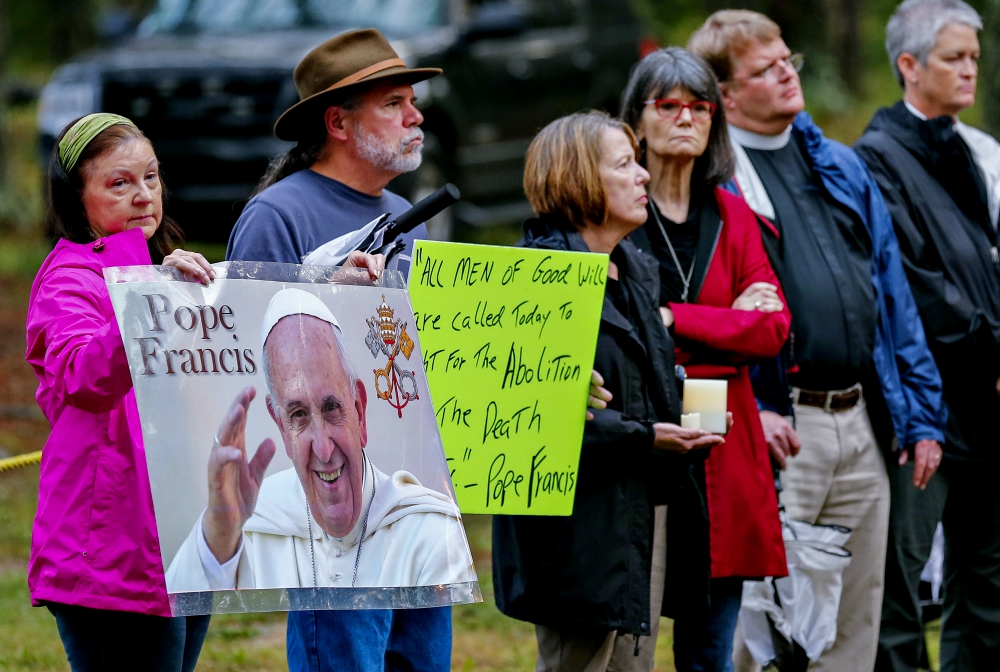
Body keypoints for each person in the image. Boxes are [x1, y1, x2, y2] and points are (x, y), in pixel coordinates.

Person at [688, 11, 946, 671]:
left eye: (787, 60)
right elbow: (697, 321)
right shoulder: (710, 187)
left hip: (858, 422)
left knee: (852, 627)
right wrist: (751, 411)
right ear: (725, 95)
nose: (785, 74)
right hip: (774, 426)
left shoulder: (839, 164)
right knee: (761, 632)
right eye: (764, 69)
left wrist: (921, 416)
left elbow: (892, 298)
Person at [225, 28, 452, 672]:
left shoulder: (410, 213)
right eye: (395, 103)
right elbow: (243, 354)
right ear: (338, 123)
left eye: (413, 100)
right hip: (332, 496)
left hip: (412, 494)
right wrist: (323, 298)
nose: (417, 115)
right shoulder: (278, 214)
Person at [493, 111, 728, 672]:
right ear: (579, 180)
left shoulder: (635, 269)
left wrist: (684, 414)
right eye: (625, 165)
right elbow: (523, 420)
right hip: (575, 538)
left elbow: (636, 386)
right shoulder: (533, 281)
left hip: (642, 517)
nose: (643, 175)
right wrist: (644, 436)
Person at [26, 113, 216, 671]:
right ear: (75, 198)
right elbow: (82, 373)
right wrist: (155, 302)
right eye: (119, 182)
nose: (143, 196)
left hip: (179, 538)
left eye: (151, 178)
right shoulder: (68, 281)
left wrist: (333, 283)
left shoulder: (165, 273)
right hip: (108, 554)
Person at [619, 48, 789, 672]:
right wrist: (729, 320)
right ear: (636, 121)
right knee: (626, 643)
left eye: (700, 107)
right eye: (668, 105)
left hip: (727, 445)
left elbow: (773, 329)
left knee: (709, 646)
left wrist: (673, 318)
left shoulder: (732, 211)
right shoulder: (619, 210)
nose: (686, 118)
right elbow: (614, 331)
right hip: (642, 438)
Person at [854, 1, 1000, 669]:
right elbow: (912, 282)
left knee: (990, 585)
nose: (970, 70)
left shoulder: (975, 150)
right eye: (953, 58)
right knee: (901, 592)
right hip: (923, 404)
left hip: (988, 404)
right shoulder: (876, 158)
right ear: (909, 66)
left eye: (974, 56)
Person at [166, 288, 474, 591]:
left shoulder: (429, 535)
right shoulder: (247, 525)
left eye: (331, 409)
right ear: (281, 427)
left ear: (359, 411)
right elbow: (181, 622)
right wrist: (219, 532)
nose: (324, 450)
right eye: (298, 415)